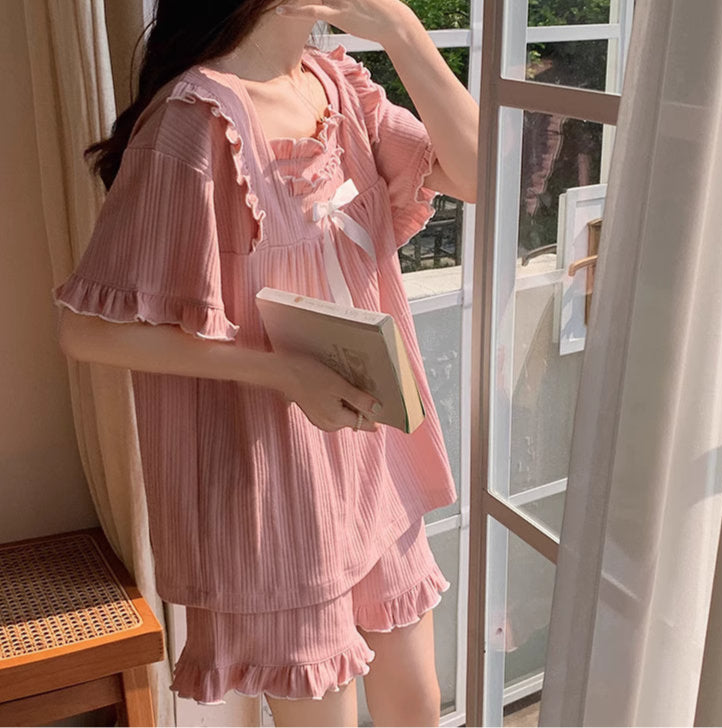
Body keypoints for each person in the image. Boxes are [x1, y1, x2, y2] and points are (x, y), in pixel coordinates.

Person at [52, 0, 478, 724]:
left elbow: (477, 173)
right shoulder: (194, 120)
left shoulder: (339, 86)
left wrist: (405, 32)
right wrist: (285, 371)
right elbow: (87, 332)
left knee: (418, 705)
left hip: (374, 458)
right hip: (273, 479)